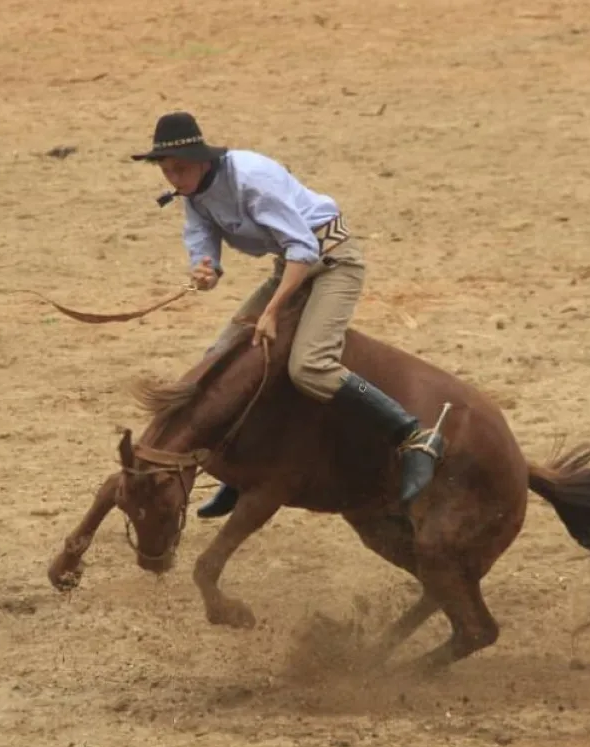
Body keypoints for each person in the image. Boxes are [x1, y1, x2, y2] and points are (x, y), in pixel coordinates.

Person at [132, 111, 444, 518]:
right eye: (167, 171)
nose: (173, 178)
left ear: (204, 161)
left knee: (310, 366)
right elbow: (202, 235)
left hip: (331, 262)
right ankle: (237, 474)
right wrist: (205, 266)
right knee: (221, 356)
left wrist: (272, 312)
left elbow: (303, 250)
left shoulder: (252, 180)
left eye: (180, 168)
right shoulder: (193, 190)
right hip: (291, 265)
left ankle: (413, 435)